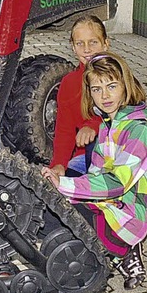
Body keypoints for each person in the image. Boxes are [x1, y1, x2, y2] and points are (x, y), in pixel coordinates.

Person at [42, 52, 147, 290]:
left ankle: (123, 250)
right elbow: (95, 177)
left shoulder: (139, 131)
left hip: (127, 215)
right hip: (110, 205)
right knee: (50, 208)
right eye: (96, 89)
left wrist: (65, 185)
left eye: (111, 86)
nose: (104, 95)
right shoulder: (108, 124)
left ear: (126, 86)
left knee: (61, 212)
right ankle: (104, 250)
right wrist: (59, 186)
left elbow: (115, 183)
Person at [50, 15, 109, 176]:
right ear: (73, 47)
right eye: (80, 43)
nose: (87, 49)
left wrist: (93, 126)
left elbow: (128, 116)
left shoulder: (118, 77)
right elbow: (64, 130)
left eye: (93, 42)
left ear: (106, 43)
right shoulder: (69, 83)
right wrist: (59, 164)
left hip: (119, 155)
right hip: (84, 158)